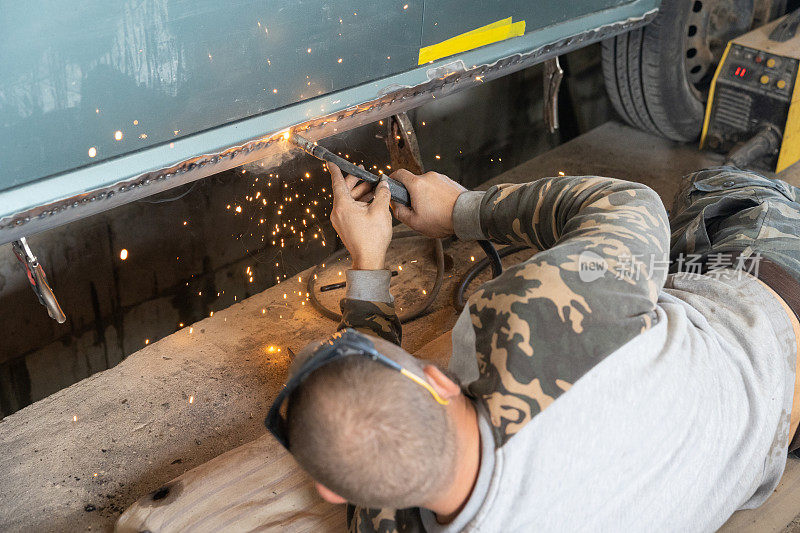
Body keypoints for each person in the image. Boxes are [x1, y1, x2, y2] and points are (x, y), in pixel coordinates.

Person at [266, 164, 800, 531]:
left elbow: (367, 450)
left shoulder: (387, 520)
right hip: (770, 322)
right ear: (436, 380)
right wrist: (460, 211)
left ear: (335, 493)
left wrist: (368, 263)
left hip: (755, 456)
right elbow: (628, 203)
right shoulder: (527, 325)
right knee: (718, 191)